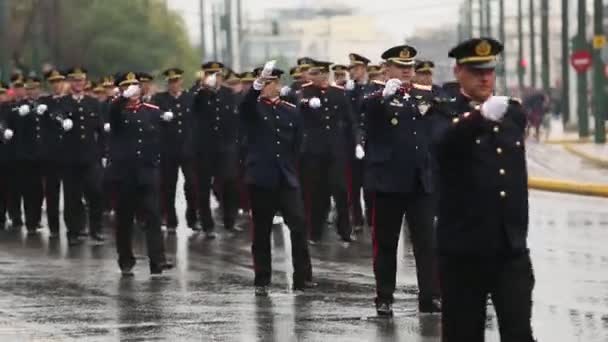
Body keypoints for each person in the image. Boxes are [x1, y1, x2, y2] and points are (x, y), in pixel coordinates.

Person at [433, 38, 535, 341]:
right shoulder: (441, 111)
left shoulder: (511, 113)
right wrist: (479, 117)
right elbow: (441, 143)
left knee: (519, 332)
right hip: (464, 250)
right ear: (458, 71)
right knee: (464, 333)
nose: (485, 77)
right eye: (477, 71)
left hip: (509, 247)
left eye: (489, 70)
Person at [361, 45, 440, 316]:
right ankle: (384, 296)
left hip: (420, 181)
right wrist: (384, 95)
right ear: (387, 69)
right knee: (386, 244)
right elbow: (365, 114)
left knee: (426, 244)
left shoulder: (426, 96)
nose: (407, 70)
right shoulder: (377, 98)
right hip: (388, 182)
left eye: (410, 66)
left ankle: (430, 296)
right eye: (400, 66)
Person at [239, 60, 314, 296]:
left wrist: (289, 166)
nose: (269, 87)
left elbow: (298, 143)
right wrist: (256, 84)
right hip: (261, 177)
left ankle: (302, 277)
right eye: (265, 83)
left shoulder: (290, 110)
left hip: (286, 177)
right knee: (261, 231)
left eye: (272, 83)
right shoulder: (253, 107)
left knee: (299, 226)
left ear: (278, 84)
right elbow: (245, 105)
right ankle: (262, 278)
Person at [108, 72, 173, 276]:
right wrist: (124, 97)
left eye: (135, 85)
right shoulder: (116, 109)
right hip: (124, 172)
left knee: (153, 215)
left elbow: (160, 139)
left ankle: (158, 260)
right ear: (121, 89)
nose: (134, 89)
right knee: (125, 218)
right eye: (128, 86)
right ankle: (126, 258)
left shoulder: (152, 111)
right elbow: (113, 113)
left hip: (147, 171)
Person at [298, 60, 357, 244]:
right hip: (315, 150)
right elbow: (297, 103)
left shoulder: (338, 93)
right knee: (317, 192)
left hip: (335, 149)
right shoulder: (305, 91)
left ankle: (345, 231)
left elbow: (350, 120)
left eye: (323, 74)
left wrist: (357, 142)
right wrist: (307, 103)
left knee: (340, 190)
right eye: (316, 74)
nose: (321, 77)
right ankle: (315, 232)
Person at [192, 62, 241, 237]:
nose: (215, 77)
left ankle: (230, 221)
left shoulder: (229, 94)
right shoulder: (198, 93)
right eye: (210, 74)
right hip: (205, 147)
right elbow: (193, 106)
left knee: (230, 184)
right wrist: (204, 89)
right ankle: (207, 225)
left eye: (217, 74)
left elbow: (235, 119)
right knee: (203, 187)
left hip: (226, 147)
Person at [60, 67, 105, 245]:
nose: (78, 83)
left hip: (90, 156)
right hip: (70, 157)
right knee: (72, 196)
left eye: (81, 80)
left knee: (96, 192)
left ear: (85, 82)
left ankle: (96, 228)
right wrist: (62, 121)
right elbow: (56, 117)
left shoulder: (93, 103)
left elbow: (101, 130)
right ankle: (74, 231)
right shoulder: (63, 102)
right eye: (75, 80)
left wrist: (103, 153)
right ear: (70, 82)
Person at [152, 68, 198, 233]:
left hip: (187, 148)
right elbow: (152, 114)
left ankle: (192, 218)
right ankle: (171, 220)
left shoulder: (189, 98)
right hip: (168, 148)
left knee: (192, 184)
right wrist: (161, 114)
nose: (174, 84)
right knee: (168, 186)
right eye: (171, 82)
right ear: (168, 83)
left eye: (176, 81)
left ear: (181, 81)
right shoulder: (159, 99)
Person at [7, 75, 46, 235]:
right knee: (27, 188)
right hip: (24, 155)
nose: (32, 92)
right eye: (28, 89)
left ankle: (35, 219)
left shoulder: (44, 105)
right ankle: (30, 221)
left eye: (34, 88)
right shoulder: (18, 107)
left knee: (39, 190)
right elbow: (11, 124)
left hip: (41, 154)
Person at [38, 69, 67, 238]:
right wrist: (39, 111)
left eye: (59, 82)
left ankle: (74, 226)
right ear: (50, 85)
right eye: (53, 82)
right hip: (51, 153)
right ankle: (54, 227)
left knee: (72, 193)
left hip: (68, 152)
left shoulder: (68, 101)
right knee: (52, 193)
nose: (56, 85)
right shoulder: (44, 101)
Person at [345, 53, 372, 231]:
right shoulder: (349, 91)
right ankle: (356, 220)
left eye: (354, 68)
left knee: (370, 185)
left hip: (370, 143)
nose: (351, 72)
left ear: (363, 69)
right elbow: (349, 118)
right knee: (353, 186)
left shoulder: (373, 89)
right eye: (351, 69)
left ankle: (371, 218)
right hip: (351, 144)